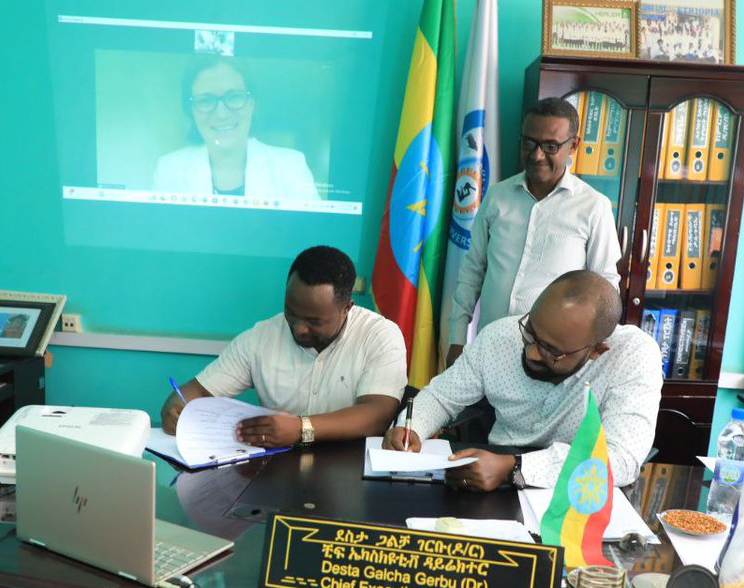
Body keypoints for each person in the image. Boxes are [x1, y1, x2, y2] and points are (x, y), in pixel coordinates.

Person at [386, 271, 661, 490]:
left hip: (578, 500)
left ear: (595, 351)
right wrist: (412, 429)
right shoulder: (499, 337)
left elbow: (621, 459)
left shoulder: (633, 355)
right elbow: (441, 397)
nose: (531, 352)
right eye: (530, 332)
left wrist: (514, 468)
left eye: (551, 351)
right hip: (492, 483)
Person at [160, 245, 406, 447]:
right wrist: (177, 405)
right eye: (291, 312)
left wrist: (302, 428)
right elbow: (199, 392)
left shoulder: (380, 335)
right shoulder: (260, 337)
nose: (299, 328)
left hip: (352, 472)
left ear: (346, 309)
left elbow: (376, 415)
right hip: (273, 470)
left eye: (314, 321)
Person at [446, 96, 622, 367]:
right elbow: (472, 271)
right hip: (490, 350)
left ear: (573, 145)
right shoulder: (497, 197)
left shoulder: (593, 207)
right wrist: (456, 339)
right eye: (530, 142)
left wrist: (584, 357)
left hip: (552, 362)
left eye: (551, 146)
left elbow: (605, 291)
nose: (537, 155)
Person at [152, 57, 319, 201]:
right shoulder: (169, 170)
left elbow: (314, 236)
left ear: (252, 103)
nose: (222, 114)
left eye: (233, 97)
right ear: (191, 110)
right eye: (205, 100)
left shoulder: (291, 167)